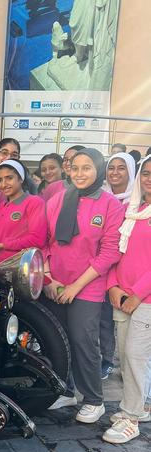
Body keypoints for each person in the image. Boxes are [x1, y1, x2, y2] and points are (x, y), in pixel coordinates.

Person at [42, 148, 125, 424]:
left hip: (88, 285)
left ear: (97, 170)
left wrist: (76, 286)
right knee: (57, 339)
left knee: (83, 340)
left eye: (87, 168)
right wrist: (48, 277)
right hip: (56, 281)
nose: (80, 174)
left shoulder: (110, 204)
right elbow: (44, 241)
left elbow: (110, 252)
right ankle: (64, 390)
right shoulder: (57, 199)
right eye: (75, 168)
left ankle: (93, 399)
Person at [103, 155, 151, 443]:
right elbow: (115, 253)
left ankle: (131, 415)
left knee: (135, 354)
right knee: (126, 357)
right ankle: (137, 404)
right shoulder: (131, 209)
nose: (148, 178)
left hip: (145, 299)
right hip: (122, 295)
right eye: (145, 173)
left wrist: (138, 294)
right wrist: (112, 286)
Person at [99, 151, 137, 379]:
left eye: (121, 168)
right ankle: (106, 359)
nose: (115, 172)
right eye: (111, 167)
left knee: (130, 323)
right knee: (104, 318)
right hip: (105, 266)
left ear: (131, 171)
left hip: (130, 270)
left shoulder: (138, 200)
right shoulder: (101, 197)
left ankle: (131, 368)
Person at [0, 160, 47, 263]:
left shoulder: (34, 202)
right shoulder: (1, 204)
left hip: (19, 267)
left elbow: (38, 239)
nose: (3, 184)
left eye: (9, 178)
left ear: (21, 178)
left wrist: (4, 245)